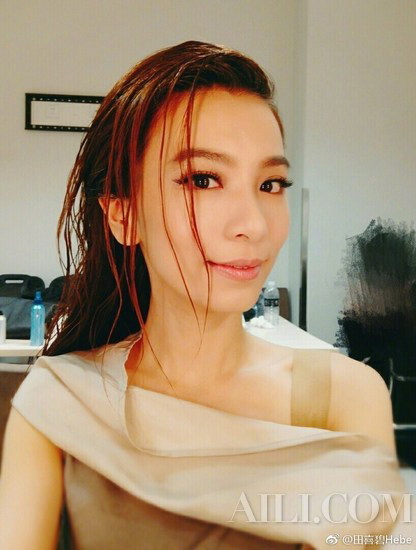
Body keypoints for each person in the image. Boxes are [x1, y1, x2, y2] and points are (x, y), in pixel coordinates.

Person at [0, 40, 413, 549]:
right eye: (203, 179)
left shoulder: (342, 395)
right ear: (123, 215)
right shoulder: (59, 401)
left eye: (271, 184)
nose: (254, 224)